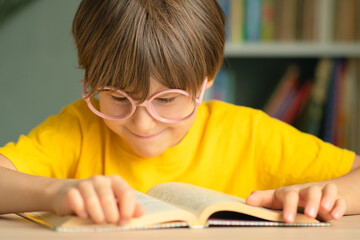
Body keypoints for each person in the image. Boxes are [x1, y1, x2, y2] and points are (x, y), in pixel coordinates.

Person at [0, 0, 359, 226]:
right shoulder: (78, 129)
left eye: (167, 100)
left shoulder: (248, 134)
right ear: (88, 77)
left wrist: (324, 194)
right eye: (115, 97)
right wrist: (55, 193)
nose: (141, 122)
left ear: (206, 81)